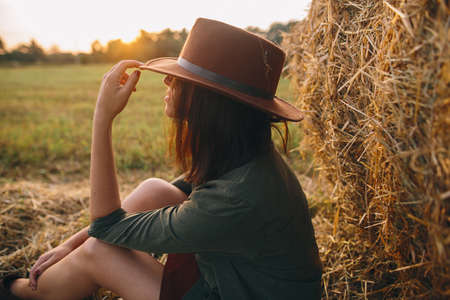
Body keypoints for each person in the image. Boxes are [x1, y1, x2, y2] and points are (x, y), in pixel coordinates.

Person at [1, 18, 322, 300]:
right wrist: (69, 245)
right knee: (156, 190)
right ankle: (52, 281)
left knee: (99, 253)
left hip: (236, 291)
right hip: (236, 278)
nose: (168, 81)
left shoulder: (237, 197)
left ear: (210, 102)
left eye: (183, 80)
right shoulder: (245, 156)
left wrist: (102, 118)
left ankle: (17, 292)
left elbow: (106, 226)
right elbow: (118, 220)